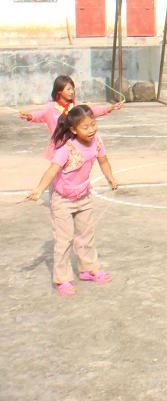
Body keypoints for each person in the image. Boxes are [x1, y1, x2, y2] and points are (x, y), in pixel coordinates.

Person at [24, 105, 118, 296]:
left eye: (93, 125)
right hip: (62, 200)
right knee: (63, 240)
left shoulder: (97, 142)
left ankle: (88, 269)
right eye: (85, 127)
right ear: (74, 130)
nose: (91, 130)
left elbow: (104, 161)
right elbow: (52, 170)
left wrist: (111, 177)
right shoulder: (67, 148)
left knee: (86, 235)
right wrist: (39, 189)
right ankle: (62, 279)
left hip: (83, 196)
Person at [19, 75, 123, 157]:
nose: (72, 92)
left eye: (72, 89)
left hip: (76, 147)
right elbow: (38, 115)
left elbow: (92, 110)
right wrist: (28, 116)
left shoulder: (76, 106)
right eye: (68, 89)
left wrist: (110, 108)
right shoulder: (51, 108)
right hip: (59, 148)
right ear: (59, 91)